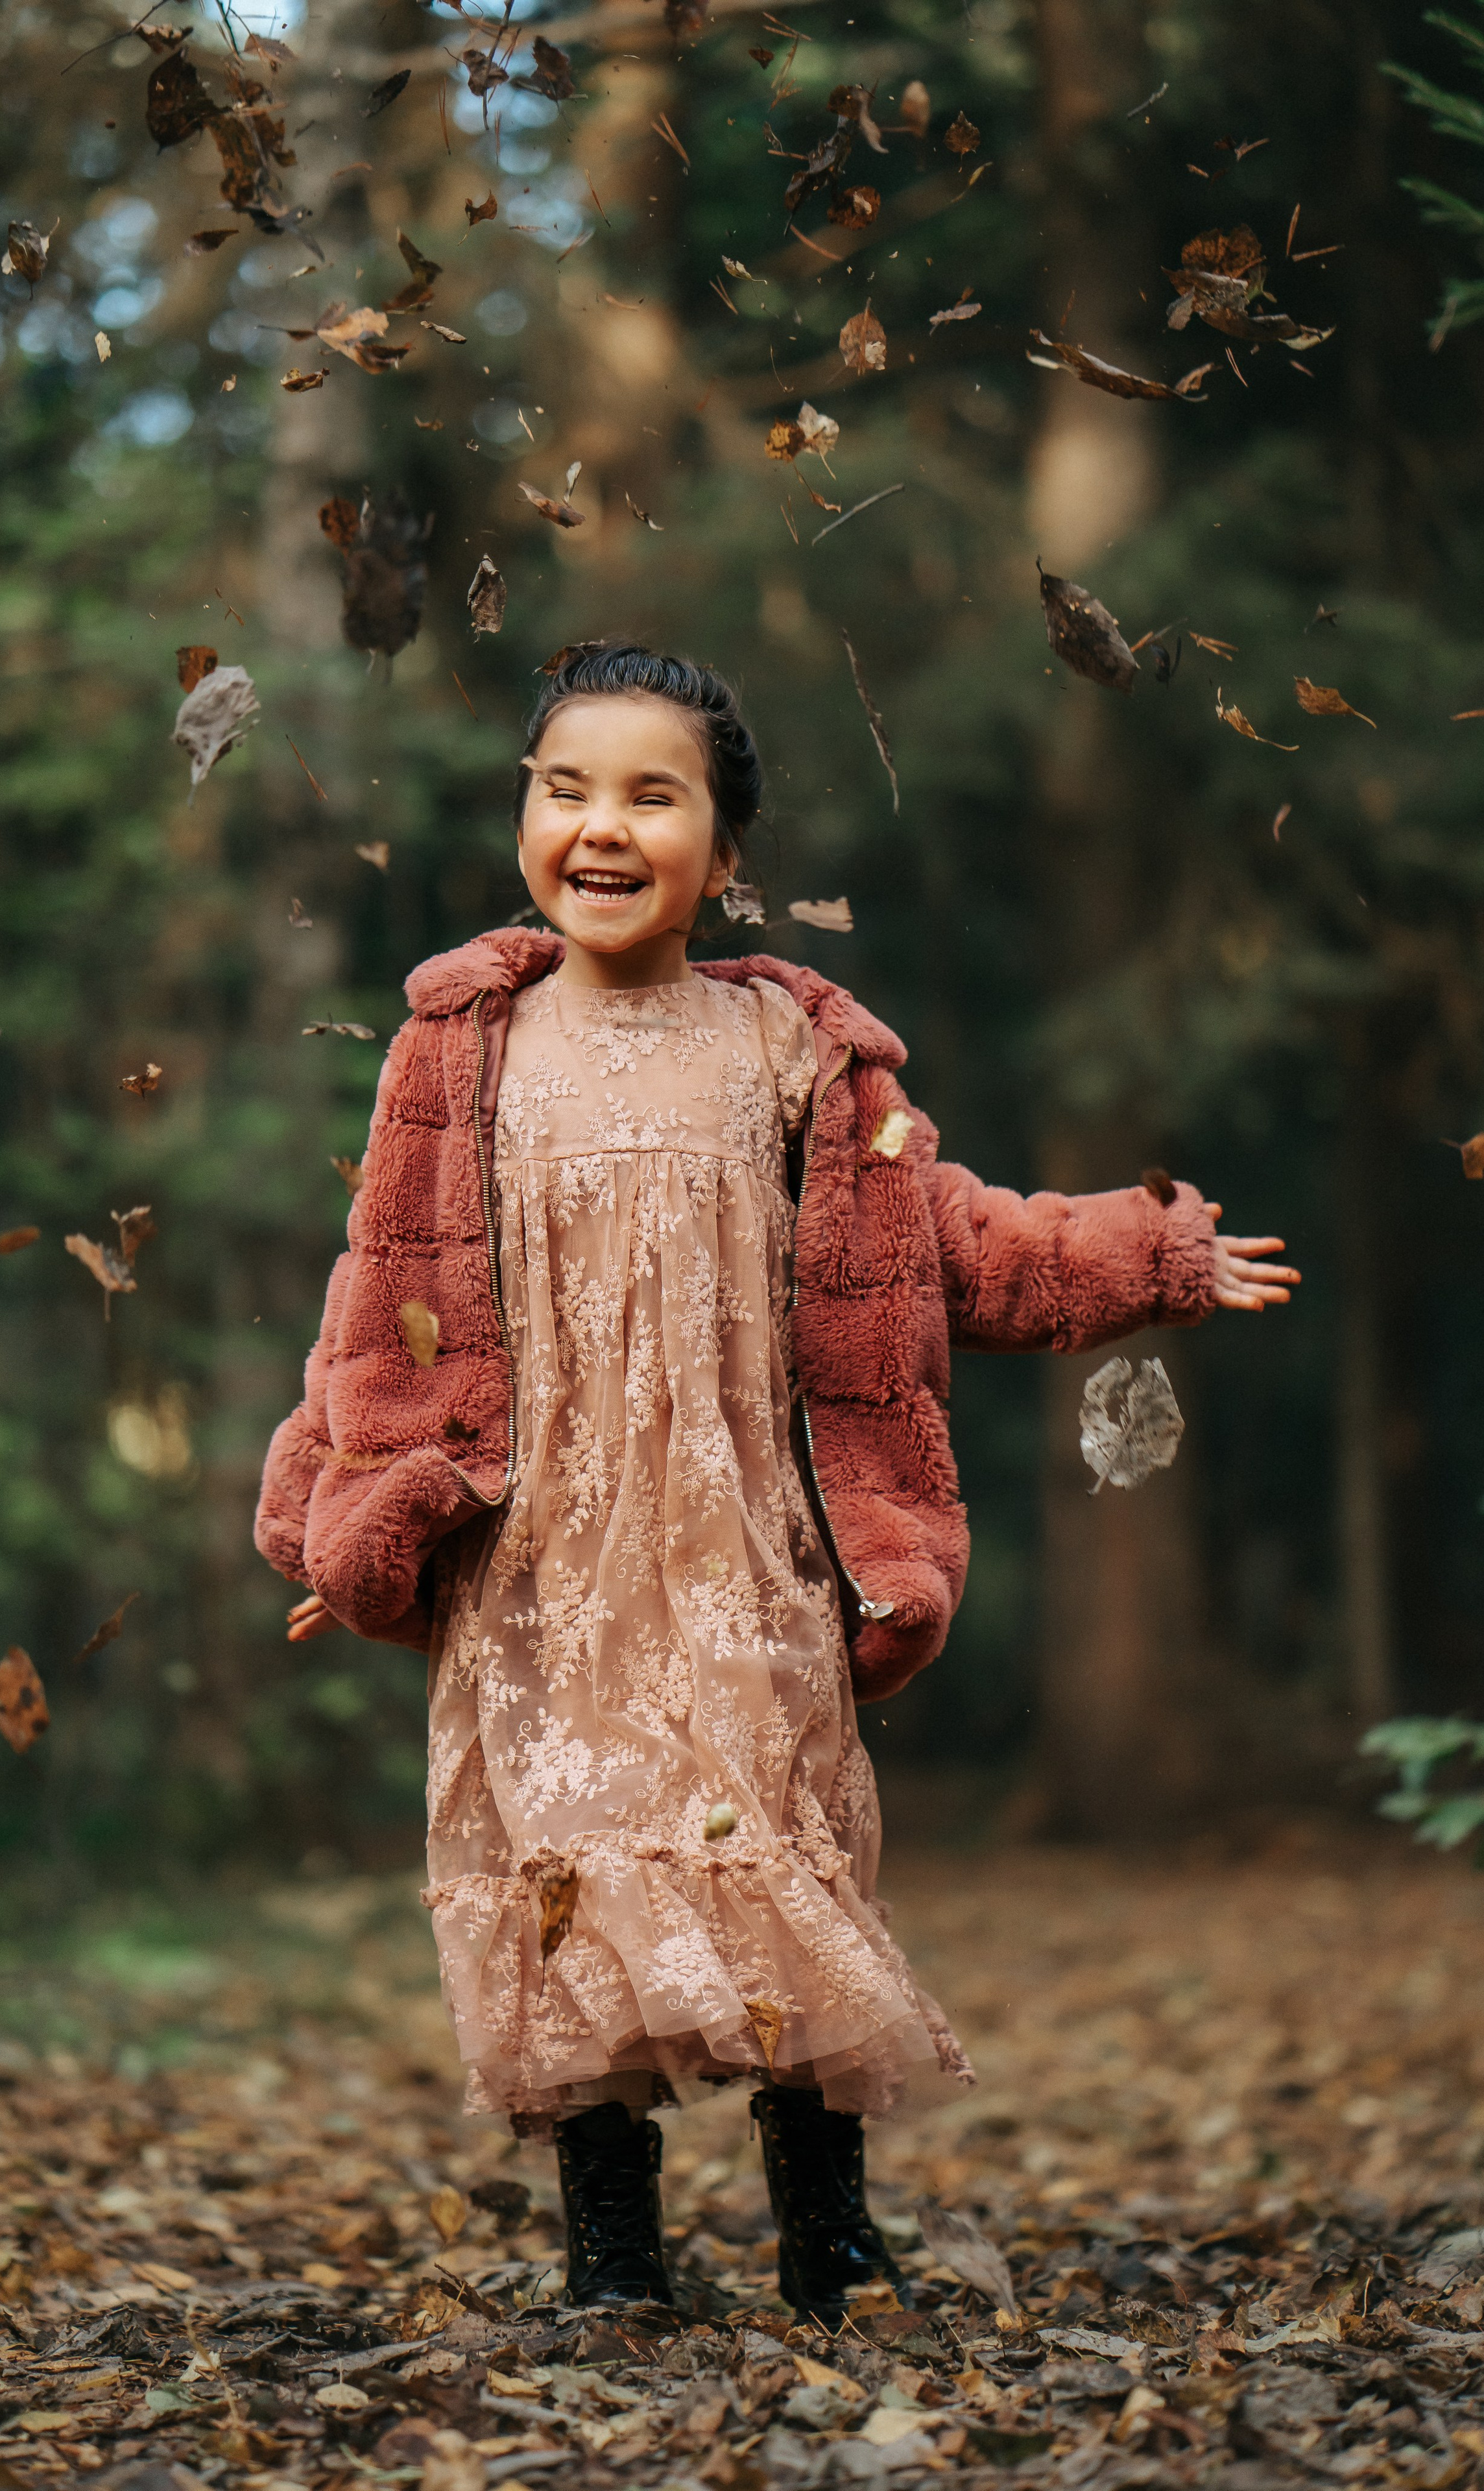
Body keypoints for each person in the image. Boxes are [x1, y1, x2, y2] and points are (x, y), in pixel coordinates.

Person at [254, 644, 1299, 2326]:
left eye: (650, 796)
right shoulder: (461, 1056)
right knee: (570, 1869)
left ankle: (831, 2239)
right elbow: (384, 1300)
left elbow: (958, 1245)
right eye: (565, 787)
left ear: (724, 857)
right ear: (525, 813)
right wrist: (347, 1504)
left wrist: (1152, 1252)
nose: (601, 825)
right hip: (541, 1570)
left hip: (747, 1555)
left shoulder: (792, 1055)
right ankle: (614, 2262)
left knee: (782, 1865)